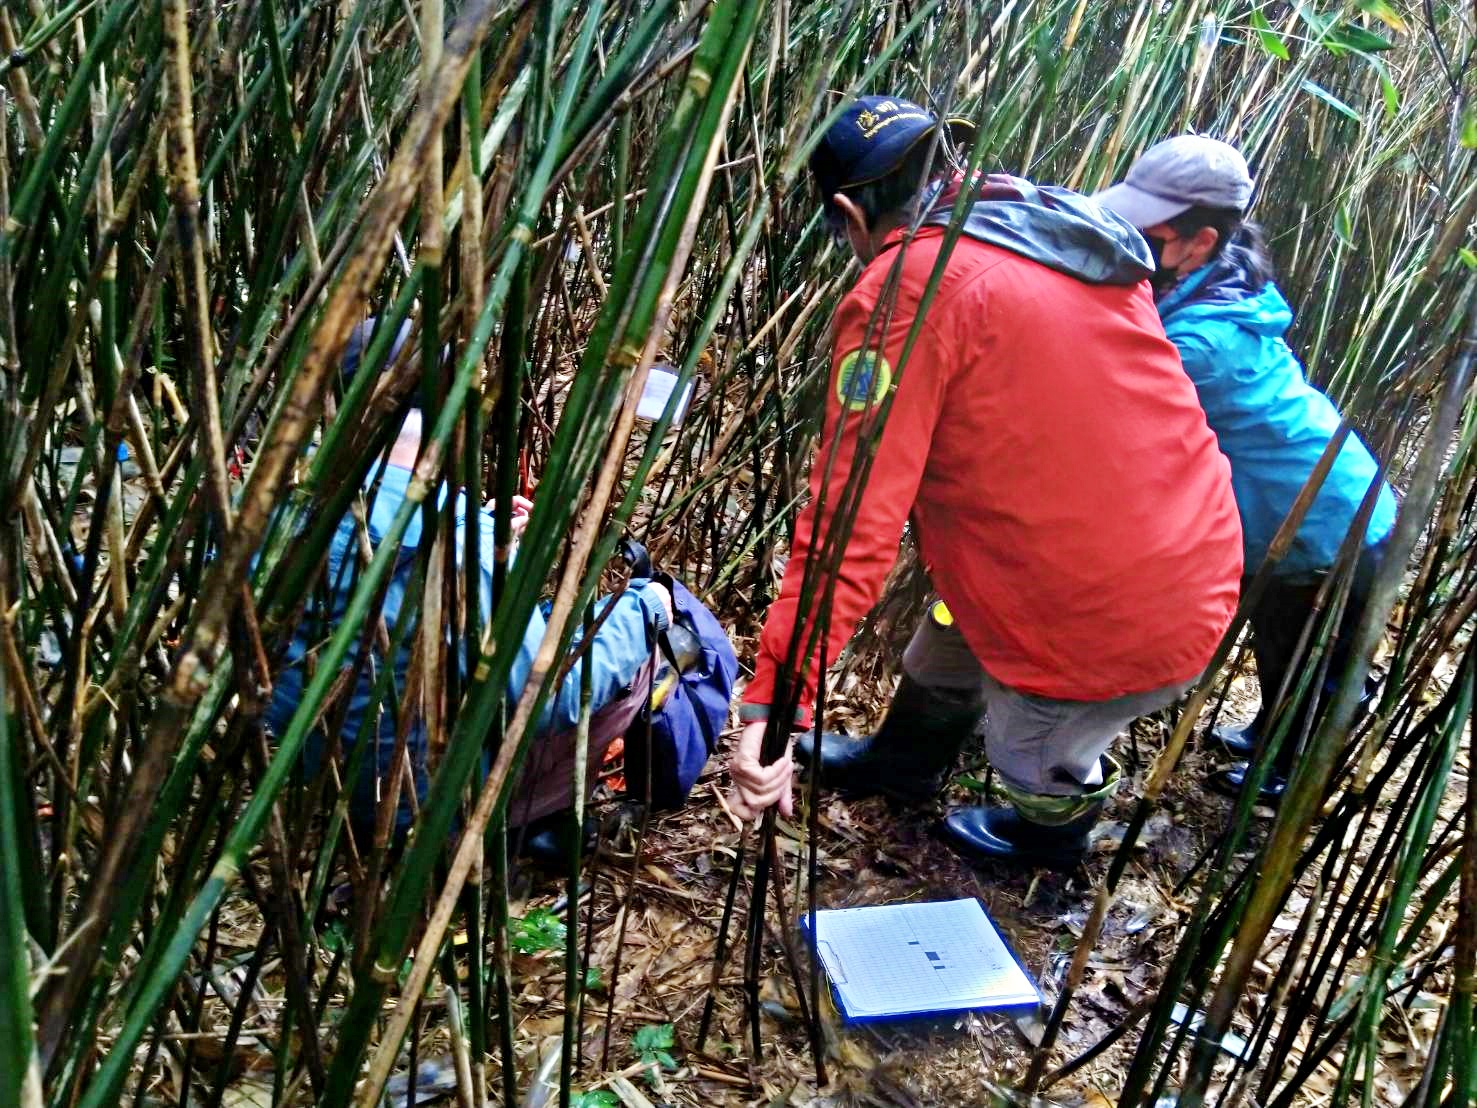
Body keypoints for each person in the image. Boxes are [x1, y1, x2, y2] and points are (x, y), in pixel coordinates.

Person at [727, 96, 1244, 871]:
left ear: (849, 215)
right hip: (1185, 550)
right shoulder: (1052, 226)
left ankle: (1050, 840)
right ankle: (901, 764)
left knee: (1034, 749)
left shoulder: (908, 289)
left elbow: (851, 523)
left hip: (1110, 607)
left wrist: (776, 699)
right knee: (947, 634)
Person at [265, 319, 673, 859]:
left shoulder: (272, 506)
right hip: (422, 804)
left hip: (311, 774)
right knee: (634, 655)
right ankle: (521, 819)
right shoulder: (455, 540)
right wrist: (647, 607)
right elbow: (551, 697)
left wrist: (485, 535)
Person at [1096, 136, 1397, 802]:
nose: (1126, 239)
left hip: (1327, 521)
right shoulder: (1211, 280)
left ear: (1199, 241)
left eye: (1146, 232)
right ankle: (1272, 735)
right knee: (1283, 640)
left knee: (1309, 661)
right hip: (1304, 504)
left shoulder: (1203, 344)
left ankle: (1293, 777)